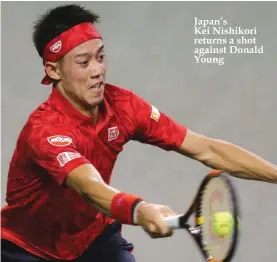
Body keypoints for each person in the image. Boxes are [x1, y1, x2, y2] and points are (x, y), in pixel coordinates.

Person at [1, 4, 276, 262]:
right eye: (84, 63)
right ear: (53, 69)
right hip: (26, 248)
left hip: (92, 238)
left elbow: (207, 149)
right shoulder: (45, 130)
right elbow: (89, 186)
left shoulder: (124, 106)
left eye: (101, 57)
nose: (98, 70)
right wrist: (139, 209)